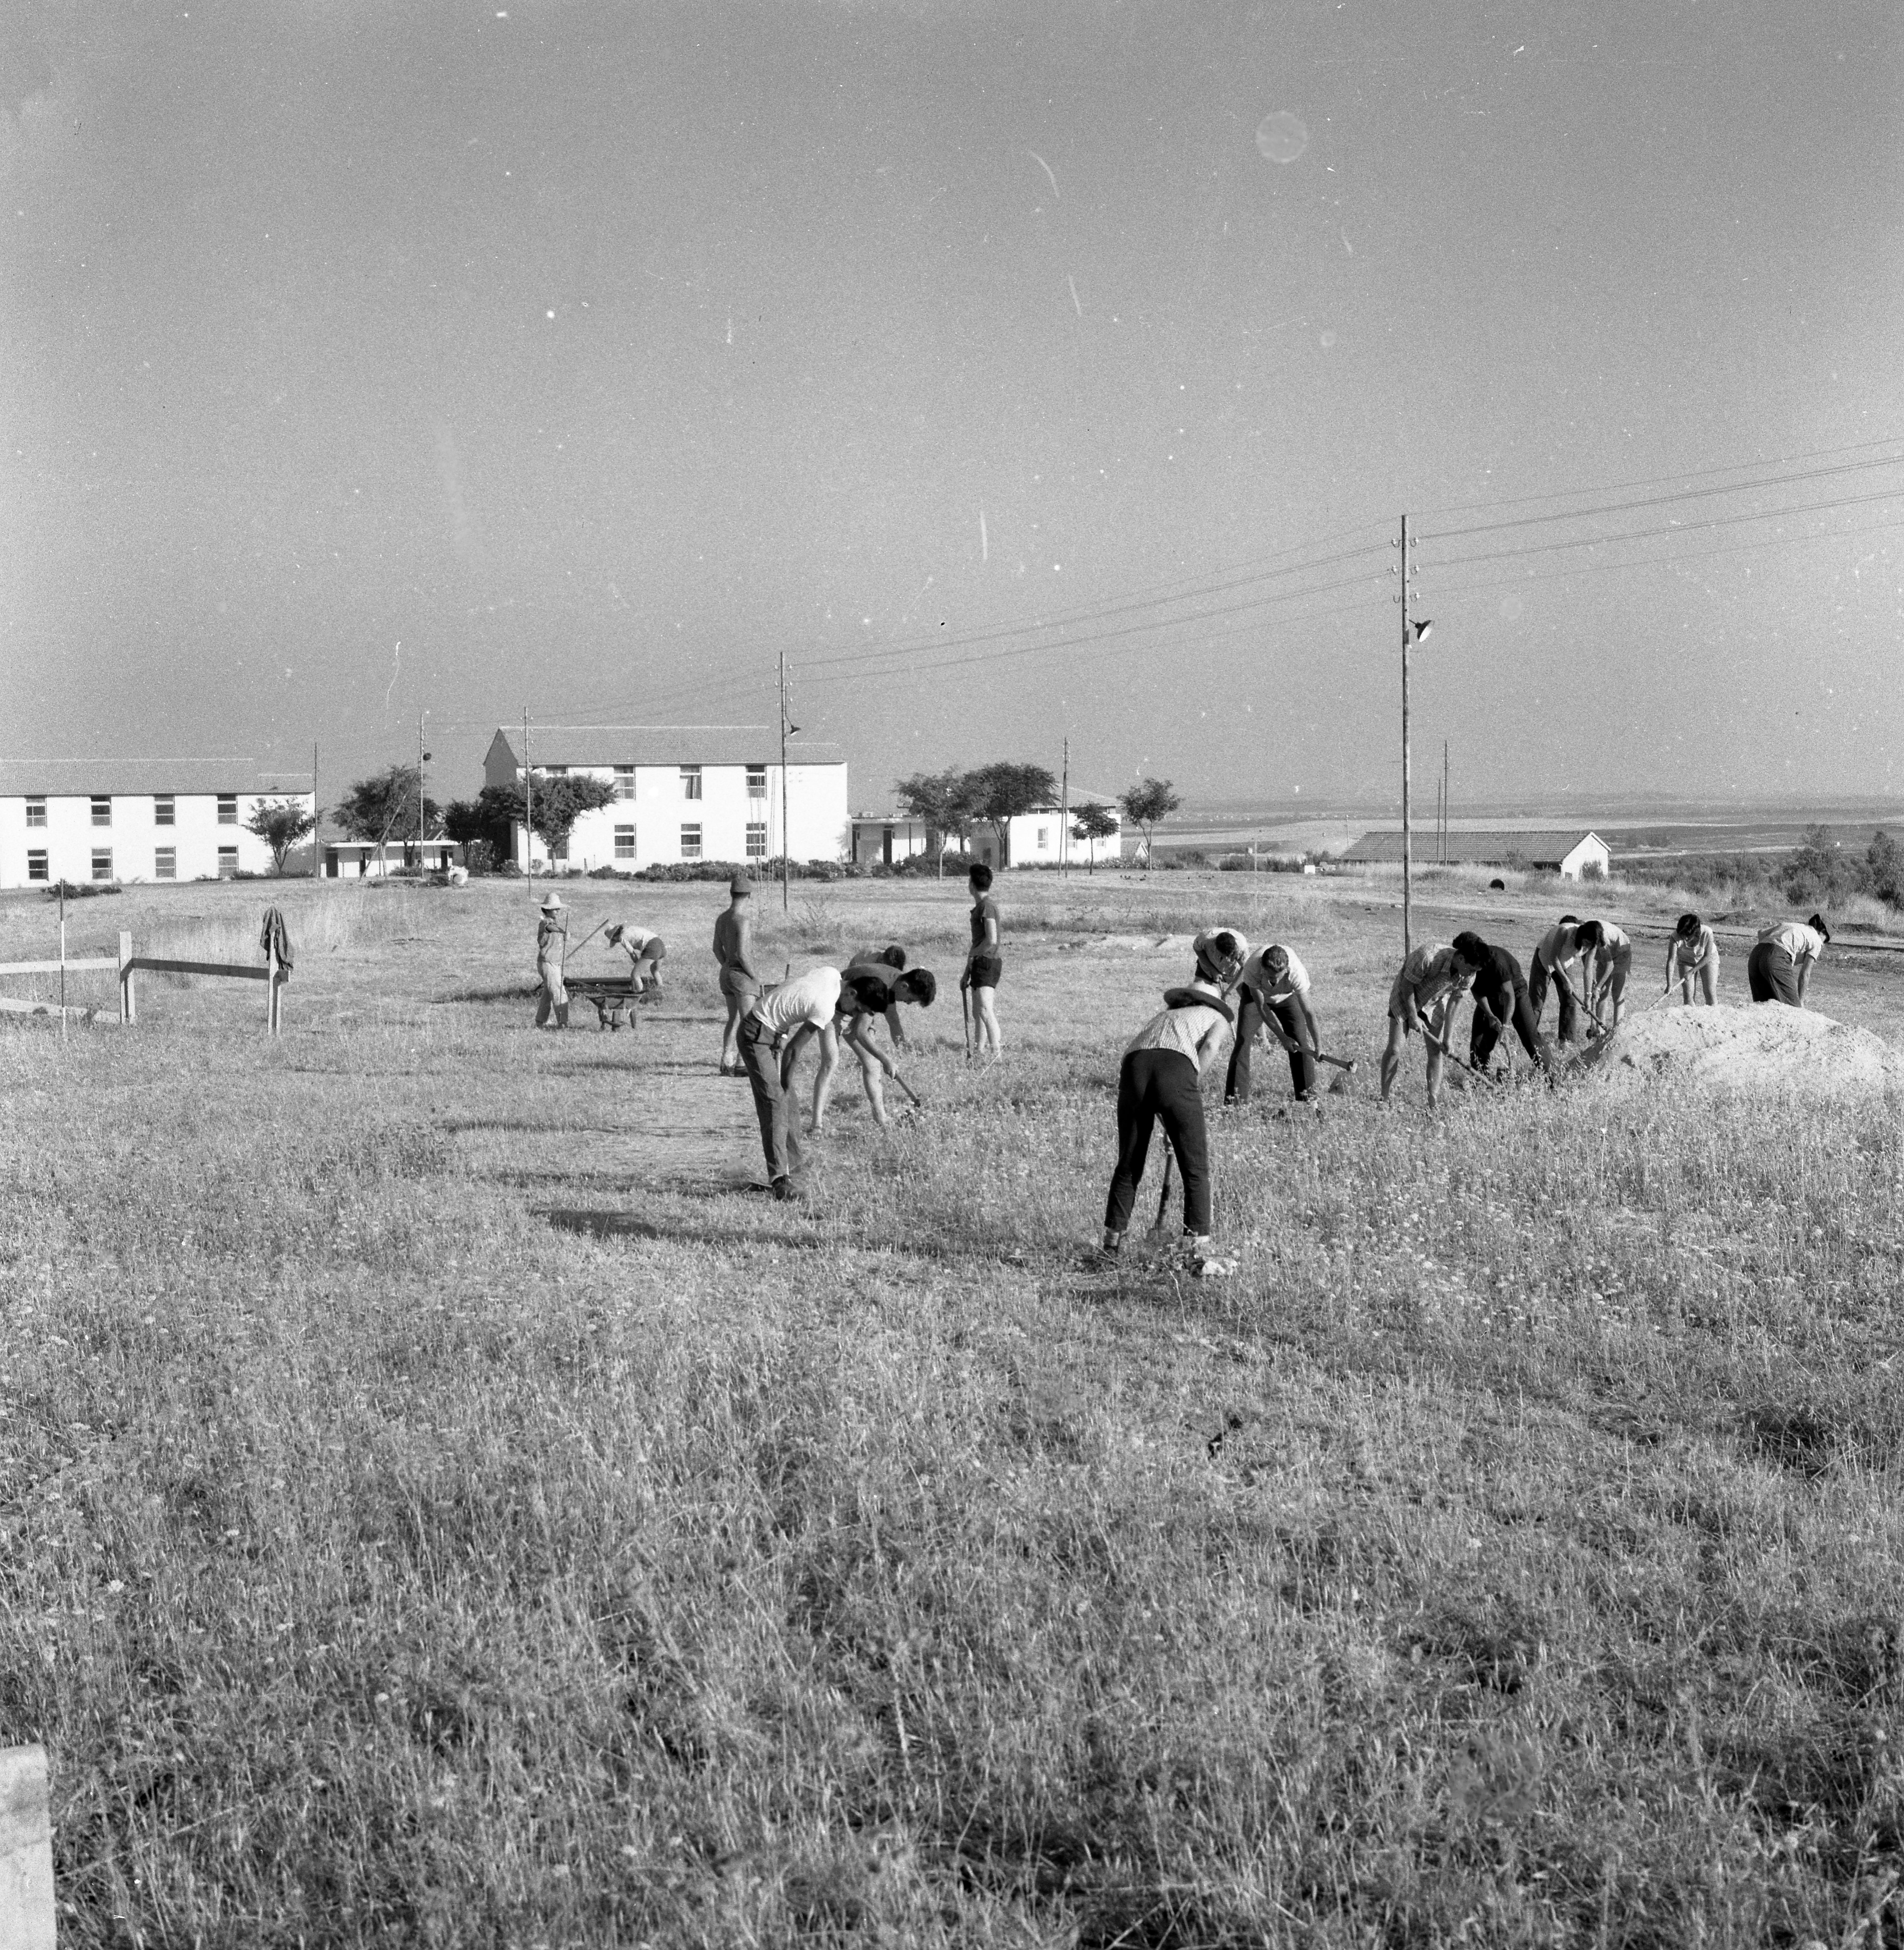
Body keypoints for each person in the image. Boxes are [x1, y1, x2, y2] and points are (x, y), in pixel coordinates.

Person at [1100, 931, 1245, 1278]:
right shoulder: (1218, 1017)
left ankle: (1111, 1245)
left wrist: (1170, 1116)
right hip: (1177, 1069)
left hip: (1134, 1064)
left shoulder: (1166, 1016)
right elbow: (1208, 1050)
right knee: (1196, 1168)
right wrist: (1183, 1102)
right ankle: (1197, 1251)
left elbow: (1148, 1061)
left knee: (1129, 1163)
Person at [737, 965, 843, 1200]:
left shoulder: (831, 974)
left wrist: (781, 1034)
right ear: (853, 993)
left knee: (790, 1102)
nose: (847, 1016)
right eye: (857, 1008)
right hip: (755, 1035)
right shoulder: (826, 1008)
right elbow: (794, 1051)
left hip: (772, 1032)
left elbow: (791, 996)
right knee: (774, 1102)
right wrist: (785, 1082)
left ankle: (794, 1169)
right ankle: (779, 1180)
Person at [1380, 937, 1482, 1108]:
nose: (1472, 975)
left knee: (1436, 1052)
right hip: (1406, 996)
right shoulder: (1428, 956)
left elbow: (1455, 1002)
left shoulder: (1469, 975)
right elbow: (1407, 985)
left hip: (1434, 1002)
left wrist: (1448, 1038)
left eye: (1475, 971)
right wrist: (1413, 1017)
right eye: (1471, 969)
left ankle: (1433, 1104)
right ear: (1461, 959)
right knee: (1395, 1049)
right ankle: (1384, 1098)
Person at [835, 962, 937, 1124]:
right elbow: (860, 1032)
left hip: (859, 1005)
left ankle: (881, 1117)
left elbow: (893, 1019)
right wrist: (886, 1060)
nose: (909, 1003)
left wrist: (903, 1050)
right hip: (840, 1005)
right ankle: (881, 1119)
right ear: (905, 986)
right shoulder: (880, 986)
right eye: (910, 999)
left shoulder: (895, 981)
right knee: (871, 1062)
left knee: (873, 1062)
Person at [1224, 941, 1320, 1105]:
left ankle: (1308, 1102)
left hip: (1287, 997)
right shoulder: (1252, 967)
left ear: (1286, 971)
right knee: (1243, 1041)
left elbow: (1309, 1013)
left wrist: (1319, 1046)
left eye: (1277, 977)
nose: (1273, 981)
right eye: (1269, 977)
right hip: (1256, 998)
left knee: (1301, 1043)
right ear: (1262, 968)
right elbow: (1262, 1007)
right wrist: (1282, 1038)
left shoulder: (1297, 973)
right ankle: (1235, 1104)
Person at [1456, 929, 1554, 1082]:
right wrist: (1490, 1015)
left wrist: (1505, 1026)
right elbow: (1478, 992)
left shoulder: (1496, 961)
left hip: (1516, 994)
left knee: (1531, 1038)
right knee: (1478, 1043)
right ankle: (1482, 1084)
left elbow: (1509, 995)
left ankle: (1553, 1079)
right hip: (1490, 997)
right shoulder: (1467, 964)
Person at [713, 875, 760, 1077]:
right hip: (741, 975)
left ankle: (726, 1058)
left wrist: (727, 966)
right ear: (749, 895)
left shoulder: (722, 918)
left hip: (726, 973)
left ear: (731, 894)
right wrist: (755, 978)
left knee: (732, 1019)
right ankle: (742, 1064)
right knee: (748, 1020)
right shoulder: (743, 920)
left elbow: (716, 949)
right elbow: (742, 953)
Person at [962, 862, 1003, 1060]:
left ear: (972, 884)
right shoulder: (981, 907)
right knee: (978, 1012)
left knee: (985, 1010)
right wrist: (967, 970)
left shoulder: (987, 907)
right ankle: (979, 1051)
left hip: (987, 962)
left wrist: (973, 956)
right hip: (980, 962)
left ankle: (997, 1054)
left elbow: (991, 940)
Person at [1527, 916, 1588, 1045]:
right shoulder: (1564, 932)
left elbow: (1586, 964)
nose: (1588, 946)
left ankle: (1566, 1040)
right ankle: (1529, 1038)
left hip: (1565, 962)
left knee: (1570, 1000)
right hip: (1545, 960)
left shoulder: (1589, 940)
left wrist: (1589, 994)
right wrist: (1566, 980)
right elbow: (1554, 959)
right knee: (1537, 1002)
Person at [1748, 913, 1830, 1007]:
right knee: (1793, 1008)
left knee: (1764, 1006)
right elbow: (1805, 974)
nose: (1823, 944)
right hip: (1776, 957)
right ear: (1822, 933)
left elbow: (1761, 933)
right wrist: (1801, 1002)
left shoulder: (1793, 926)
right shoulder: (1817, 940)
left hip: (1755, 956)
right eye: (1826, 940)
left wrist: (1765, 956)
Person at [845, 944, 913, 1050]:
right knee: (865, 1023)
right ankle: (869, 1053)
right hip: (860, 988)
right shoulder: (866, 959)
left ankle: (903, 1049)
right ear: (882, 959)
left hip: (885, 987)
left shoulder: (897, 965)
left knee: (893, 1017)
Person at [1576, 919, 1633, 1030]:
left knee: (1617, 994)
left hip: (1621, 953)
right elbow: (1586, 962)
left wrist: (1597, 988)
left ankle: (1618, 1031)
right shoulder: (1585, 932)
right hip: (1604, 957)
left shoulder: (1602, 937)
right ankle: (1599, 1031)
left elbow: (1610, 966)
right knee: (1602, 994)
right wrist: (1593, 983)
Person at [533, 891, 569, 1030]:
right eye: (555, 908)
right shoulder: (546, 923)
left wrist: (565, 935)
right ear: (548, 910)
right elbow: (550, 928)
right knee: (559, 992)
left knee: (548, 994)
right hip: (548, 963)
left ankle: (540, 1022)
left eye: (558, 908)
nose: (558, 911)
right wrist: (563, 932)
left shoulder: (555, 923)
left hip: (554, 963)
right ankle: (563, 1023)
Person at [1666, 912, 1719, 1005]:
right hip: (1686, 960)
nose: (1684, 939)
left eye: (1687, 936)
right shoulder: (1675, 937)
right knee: (1688, 996)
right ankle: (1691, 1019)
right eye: (1682, 935)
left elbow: (1707, 957)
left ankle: (1713, 1017)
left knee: (1710, 992)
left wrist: (1692, 971)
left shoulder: (1707, 933)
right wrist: (1669, 984)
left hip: (1708, 959)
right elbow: (1671, 961)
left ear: (1696, 933)